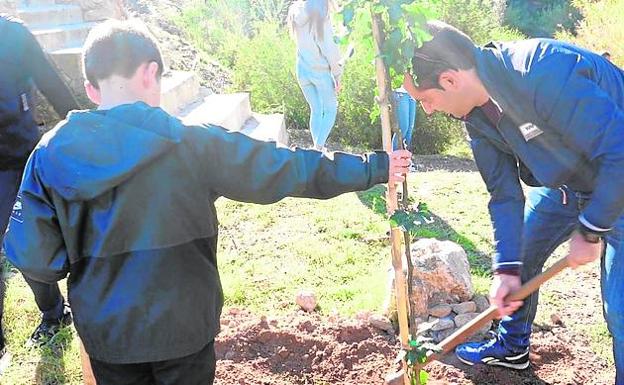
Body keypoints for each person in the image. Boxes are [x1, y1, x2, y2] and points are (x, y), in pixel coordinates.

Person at [2, 19, 411, 384]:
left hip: (109, 337)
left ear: (91, 88)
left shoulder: (50, 154)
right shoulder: (194, 145)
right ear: (151, 73)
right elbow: (288, 169)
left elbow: (34, 258)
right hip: (185, 330)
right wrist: (373, 168)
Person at [403, 21, 624, 383]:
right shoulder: (475, 115)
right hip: (563, 182)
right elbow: (504, 195)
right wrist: (505, 268)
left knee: (621, 308)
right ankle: (512, 349)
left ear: (450, 80)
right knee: (518, 258)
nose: (426, 110)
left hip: (618, 176)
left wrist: (592, 227)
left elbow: (619, 148)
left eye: (424, 100)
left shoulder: (543, 70)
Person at [0, 14, 79, 356]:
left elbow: (52, 82)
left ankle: (53, 313)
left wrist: (83, 127)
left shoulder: (13, 35)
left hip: (14, 158)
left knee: (25, 241)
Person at [288, 0, 343, 151]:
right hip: (320, 72)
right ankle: (318, 148)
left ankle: (315, 148)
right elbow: (330, 49)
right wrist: (338, 74)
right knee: (331, 109)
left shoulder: (295, 11)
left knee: (316, 109)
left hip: (302, 70)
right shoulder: (320, 15)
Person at [392, 87, 417, 152]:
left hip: (412, 93)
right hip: (400, 92)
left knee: (410, 129)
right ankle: (394, 154)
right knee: (403, 127)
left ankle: (405, 156)